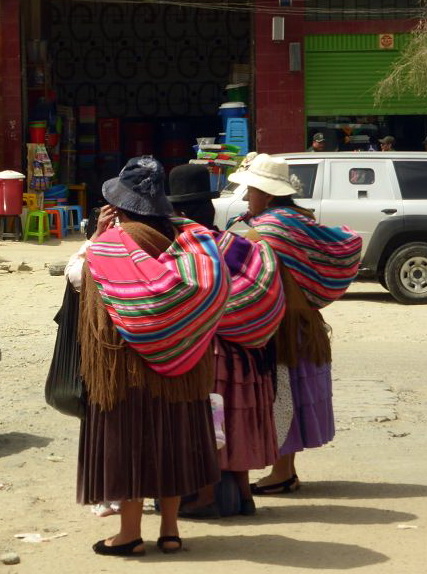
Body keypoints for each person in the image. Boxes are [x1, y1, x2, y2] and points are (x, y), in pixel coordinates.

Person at [65, 156, 231, 556]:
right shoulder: (193, 241)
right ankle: (171, 531)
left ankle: (129, 534)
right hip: (184, 362)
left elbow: (77, 277)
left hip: (126, 366)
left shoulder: (110, 245)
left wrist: (94, 238)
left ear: (119, 206)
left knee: (131, 443)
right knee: (174, 439)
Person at [227, 154, 362, 495]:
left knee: (281, 395)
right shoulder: (298, 218)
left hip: (283, 326)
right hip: (305, 323)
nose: (246, 198)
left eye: (251, 191)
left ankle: (283, 473)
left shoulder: (272, 227)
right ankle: (285, 470)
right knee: (293, 394)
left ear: (268, 194)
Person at [167, 163, 283, 517]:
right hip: (247, 352)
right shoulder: (235, 242)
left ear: (179, 212)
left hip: (212, 353)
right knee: (235, 419)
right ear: (211, 207)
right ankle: (245, 495)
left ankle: (205, 495)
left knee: (209, 422)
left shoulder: (188, 249)